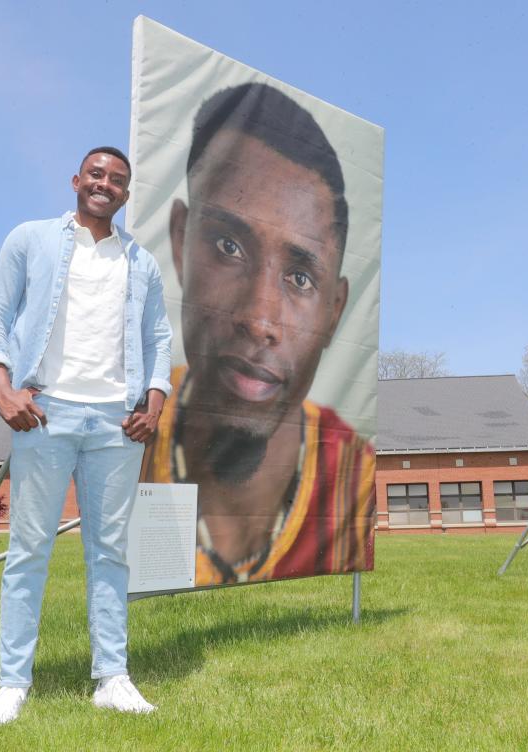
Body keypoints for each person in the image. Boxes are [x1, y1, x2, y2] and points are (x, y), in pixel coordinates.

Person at [140, 83, 376, 585]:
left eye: (300, 278)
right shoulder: (138, 430)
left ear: (335, 311)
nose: (260, 320)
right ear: (180, 240)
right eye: (228, 245)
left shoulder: (354, 481)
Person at [0, 146, 172, 724]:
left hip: (116, 421)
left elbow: (159, 338)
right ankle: (13, 682)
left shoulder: (141, 262)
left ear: (126, 194)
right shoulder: (31, 239)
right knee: (28, 548)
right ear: (76, 180)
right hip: (46, 413)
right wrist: (2, 390)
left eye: (117, 180)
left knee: (109, 552)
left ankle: (112, 677)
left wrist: (154, 405)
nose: (104, 184)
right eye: (96, 174)